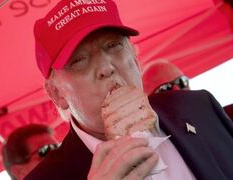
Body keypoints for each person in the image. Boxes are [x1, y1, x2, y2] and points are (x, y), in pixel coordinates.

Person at [26, 0, 233, 179]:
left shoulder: (200, 107)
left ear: (135, 59)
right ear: (57, 94)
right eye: (79, 60)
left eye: (113, 45)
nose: (106, 68)